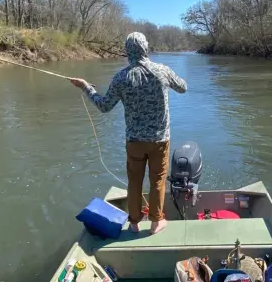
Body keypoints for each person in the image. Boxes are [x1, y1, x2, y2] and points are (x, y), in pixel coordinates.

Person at [68, 32, 187, 235]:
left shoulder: (121, 77)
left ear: (127, 51)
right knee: (157, 180)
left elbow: (104, 106)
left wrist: (86, 87)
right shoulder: (162, 71)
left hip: (134, 142)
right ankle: (156, 222)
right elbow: (183, 87)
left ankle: (134, 223)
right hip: (160, 140)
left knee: (134, 181)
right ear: (145, 48)